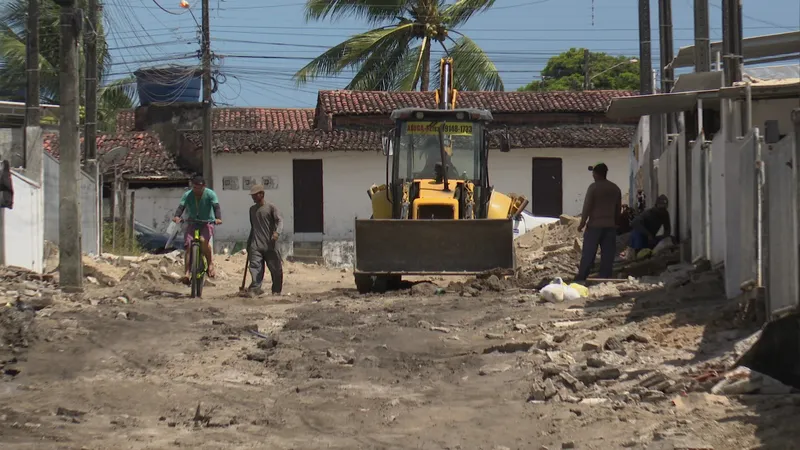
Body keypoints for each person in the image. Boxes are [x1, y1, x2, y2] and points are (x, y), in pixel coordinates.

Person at [576, 163, 622, 282]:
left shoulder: (594, 188)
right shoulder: (615, 188)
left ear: (596, 174)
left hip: (595, 226)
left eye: (593, 173)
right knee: (608, 254)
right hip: (610, 226)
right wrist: (616, 223)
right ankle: (605, 277)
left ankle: (582, 277)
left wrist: (582, 223)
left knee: (589, 253)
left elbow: (587, 207)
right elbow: (618, 209)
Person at [172, 175, 222, 281]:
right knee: (189, 245)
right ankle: (187, 272)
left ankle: (210, 264)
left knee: (203, 240)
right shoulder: (188, 195)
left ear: (204, 186)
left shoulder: (210, 194)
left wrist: (218, 218)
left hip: (207, 222)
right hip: (192, 221)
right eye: (195, 188)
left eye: (199, 188)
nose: (197, 190)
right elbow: (181, 207)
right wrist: (177, 216)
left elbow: (216, 206)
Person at [246, 184, 284, 295]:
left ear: (262, 194)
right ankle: (255, 289)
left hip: (270, 244)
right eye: (252, 195)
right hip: (256, 245)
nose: (253, 197)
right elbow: (253, 227)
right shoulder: (252, 210)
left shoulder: (271, 207)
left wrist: (277, 232)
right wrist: (249, 243)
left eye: (255, 195)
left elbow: (280, 221)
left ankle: (276, 291)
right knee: (255, 268)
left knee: (276, 269)